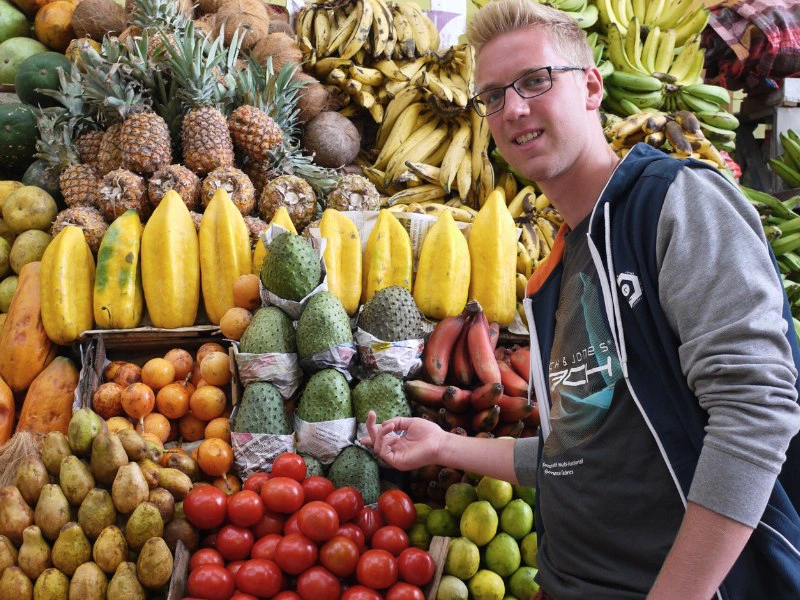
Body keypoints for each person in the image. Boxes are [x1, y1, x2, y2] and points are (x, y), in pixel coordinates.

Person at [363, 0, 800, 598]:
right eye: (492, 96)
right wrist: (443, 445)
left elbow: (757, 413)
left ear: (592, 87)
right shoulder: (550, 277)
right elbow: (579, 453)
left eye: (535, 81)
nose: (512, 107)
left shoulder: (674, 204)